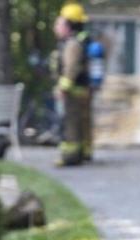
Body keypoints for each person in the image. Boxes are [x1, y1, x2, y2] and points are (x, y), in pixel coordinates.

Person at [53, 2, 93, 166]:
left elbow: (70, 69)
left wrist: (62, 88)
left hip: (73, 92)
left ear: (68, 24)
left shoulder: (71, 45)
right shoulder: (76, 42)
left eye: (59, 23)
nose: (56, 27)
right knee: (80, 124)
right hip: (79, 90)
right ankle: (82, 153)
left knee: (71, 125)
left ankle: (71, 157)